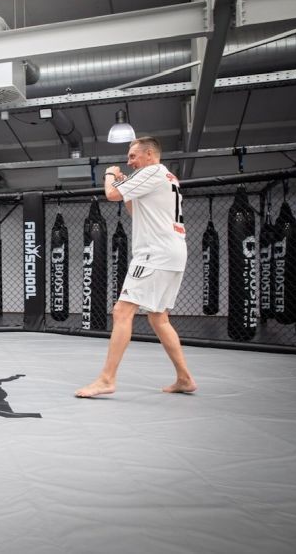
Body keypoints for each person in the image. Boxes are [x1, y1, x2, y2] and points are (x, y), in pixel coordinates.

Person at [75, 136, 197, 397]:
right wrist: (123, 184)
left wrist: (110, 175)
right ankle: (185, 378)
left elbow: (111, 195)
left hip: (155, 253)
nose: (129, 162)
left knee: (122, 312)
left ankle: (106, 379)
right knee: (158, 317)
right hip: (173, 252)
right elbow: (133, 209)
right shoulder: (166, 177)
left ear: (149, 154)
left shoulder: (151, 171)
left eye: (133, 156)